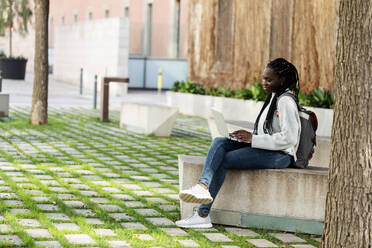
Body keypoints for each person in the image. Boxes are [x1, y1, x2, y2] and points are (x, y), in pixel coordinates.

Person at [176, 58, 301, 228]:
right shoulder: (274, 96)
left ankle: (202, 214)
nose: (264, 82)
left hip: (281, 155)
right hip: (266, 147)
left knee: (225, 159)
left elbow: (290, 138)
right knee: (220, 142)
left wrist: (253, 139)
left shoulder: (286, 101)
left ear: (282, 80)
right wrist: (248, 136)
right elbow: (268, 130)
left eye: (269, 79)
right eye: (263, 78)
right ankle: (202, 186)